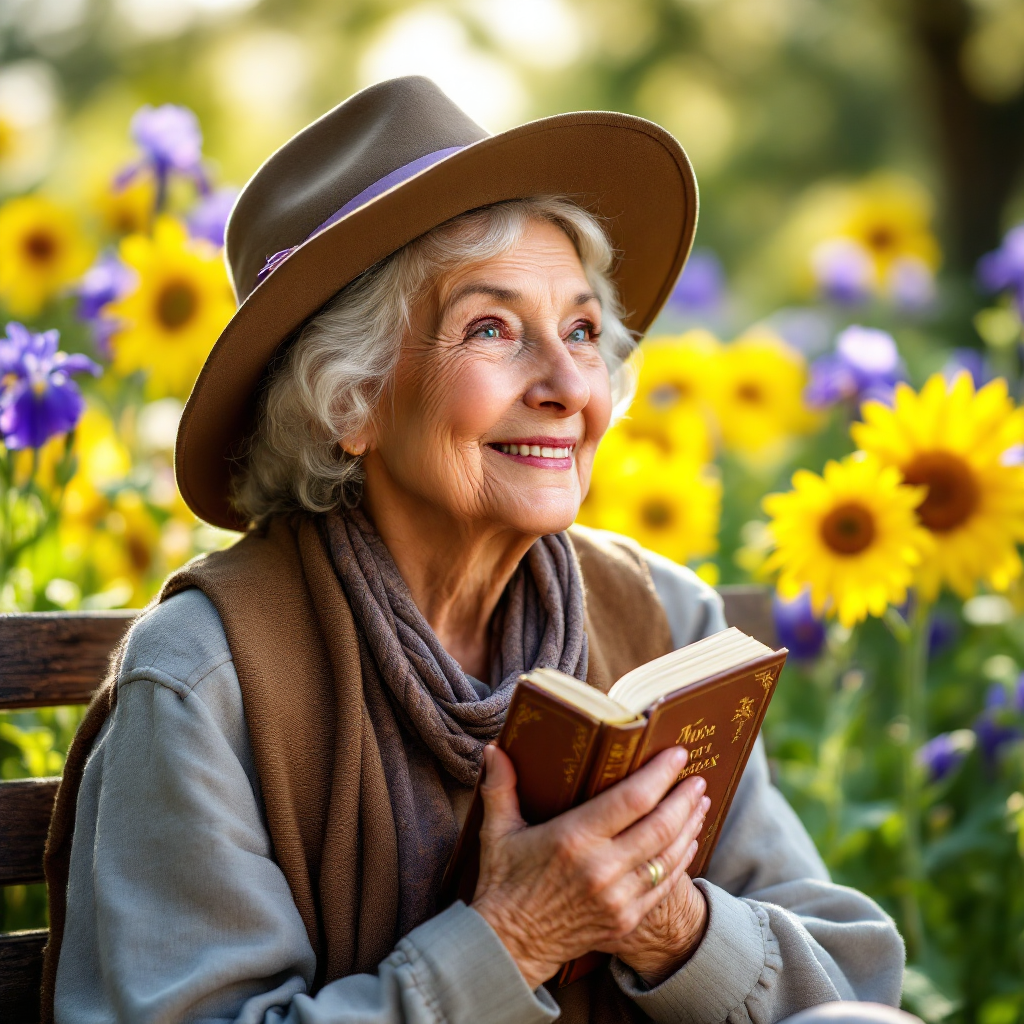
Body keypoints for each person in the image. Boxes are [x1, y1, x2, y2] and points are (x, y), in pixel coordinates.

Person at [45, 77, 910, 1024]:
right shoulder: (207, 679)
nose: (566, 385)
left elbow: (850, 976)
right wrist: (516, 939)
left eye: (581, 330)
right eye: (491, 329)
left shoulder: (662, 621)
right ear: (350, 401)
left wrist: (665, 920)